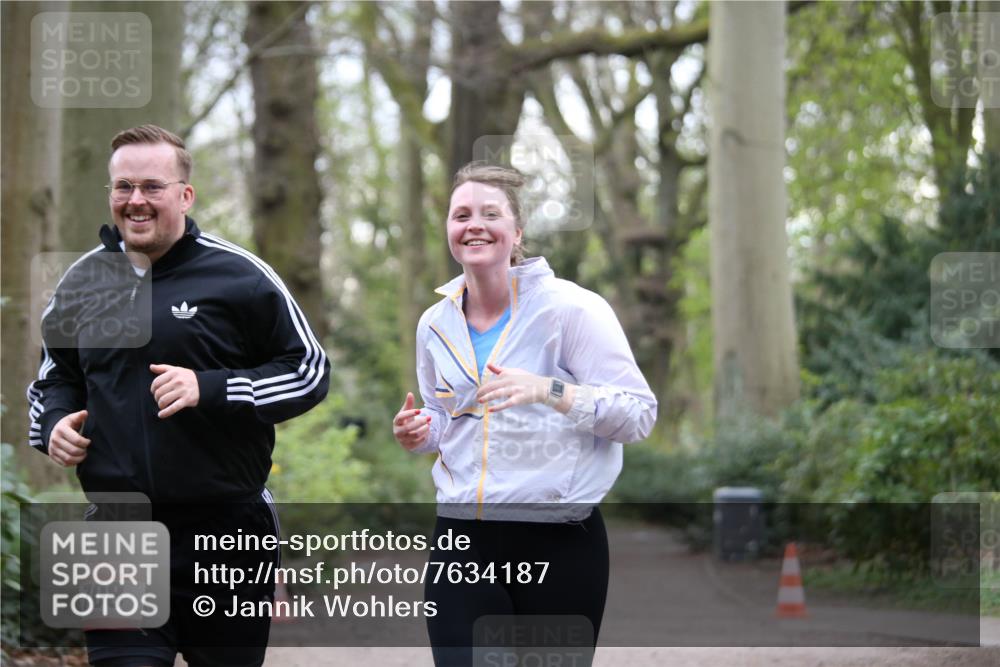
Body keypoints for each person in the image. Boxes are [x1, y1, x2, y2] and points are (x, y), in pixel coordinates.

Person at [27, 125, 329, 667]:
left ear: (185, 195)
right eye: (123, 187)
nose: (135, 201)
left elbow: (308, 372)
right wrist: (53, 423)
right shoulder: (81, 283)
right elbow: (54, 376)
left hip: (226, 532)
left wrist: (209, 387)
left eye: (152, 186)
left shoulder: (241, 276)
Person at [392, 162, 657, 665]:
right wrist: (421, 431)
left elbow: (639, 415)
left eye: (490, 213)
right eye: (461, 214)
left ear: (516, 232)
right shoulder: (435, 322)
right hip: (463, 537)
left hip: (559, 539)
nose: (474, 224)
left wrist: (550, 390)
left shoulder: (571, 310)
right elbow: (445, 416)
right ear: (448, 229)